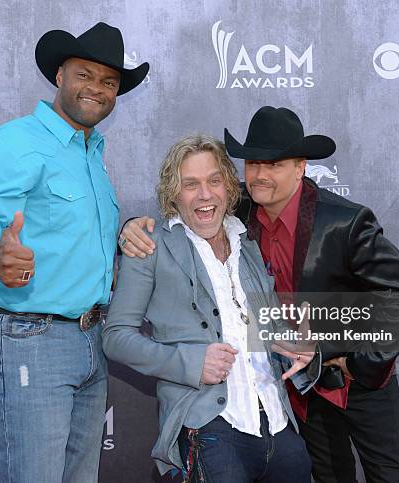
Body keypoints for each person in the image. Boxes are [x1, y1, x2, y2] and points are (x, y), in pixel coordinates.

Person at [119, 107, 399, 483]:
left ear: (301, 167)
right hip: (298, 388)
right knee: (330, 475)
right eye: (253, 163)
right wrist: (131, 228)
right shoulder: (240, 210)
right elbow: (190, 203)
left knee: (387, 476)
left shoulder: (345, 220)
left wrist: (353, 360)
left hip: (356, 378)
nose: (261, 175)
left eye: (275, 164)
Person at [0, 22, 148, 483]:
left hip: (91, 340)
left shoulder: (91, 154)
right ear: (59, 76)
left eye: (109, 82)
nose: (96, 88)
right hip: (29, 342)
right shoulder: (15, 142)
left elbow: (76, 244)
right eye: (84, 75)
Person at [103, 134, 320, 482]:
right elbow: (115, 337)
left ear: (228, 189)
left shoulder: (247, 243)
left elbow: (263, 328)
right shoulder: (150, 247)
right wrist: (190, 362)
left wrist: (295, 345)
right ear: (174, 193)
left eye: (214, 181)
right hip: (209, 427)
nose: (204, 194)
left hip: (276, 423)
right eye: (191, 184)